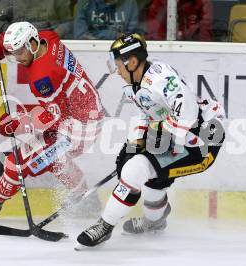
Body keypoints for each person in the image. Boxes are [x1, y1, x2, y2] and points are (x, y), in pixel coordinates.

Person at [75, 33, 225, 249]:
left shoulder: (160, 79)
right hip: (181, 135)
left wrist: (151, 141)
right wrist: (135, 143)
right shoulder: (135, 85)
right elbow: (149, 115)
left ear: (133, 62)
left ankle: (104, 226)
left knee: (135, 171)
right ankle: (154, 222)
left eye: (117, 65)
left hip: (203, 141)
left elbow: (188, 115)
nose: (116, 71)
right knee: (151, 177)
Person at [0, 21, 104, 219]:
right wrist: (0, 44)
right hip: (87, 115)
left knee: (17, 161)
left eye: (19, 52)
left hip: (77, 129)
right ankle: (87, 199)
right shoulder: (49, 39)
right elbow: (56, 110)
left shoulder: (41, 76)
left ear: (32, 44)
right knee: (56, 159)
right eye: (13, 52)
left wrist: (19, 124)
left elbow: (53, 116)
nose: (17, 58)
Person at [0, 0, 73, 38]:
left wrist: (57, 32)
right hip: (19, 49)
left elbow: (70, 23)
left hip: (50, 47)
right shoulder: (11, 1)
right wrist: (14, 30)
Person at [147, 0, 213, 41]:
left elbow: (205, 37)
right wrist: (165, 8)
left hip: (194, 48)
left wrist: (188, 33)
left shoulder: (202, 2)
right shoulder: (160, 2)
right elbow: (154, 36)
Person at [74, 0, 139, 40]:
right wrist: (114, 35)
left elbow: (132, 36)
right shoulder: (85, 3)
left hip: (121, 52)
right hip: (92, 51)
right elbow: (80, 35)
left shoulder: (130, 3)